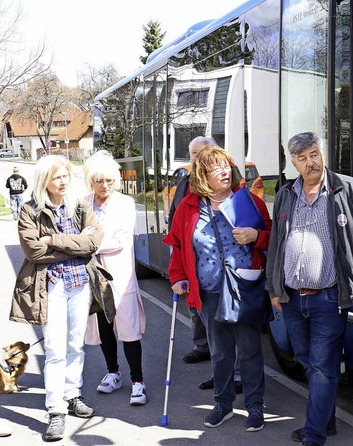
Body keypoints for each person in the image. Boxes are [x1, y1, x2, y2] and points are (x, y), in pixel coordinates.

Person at [266, 132, 353, 446]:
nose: (310, 163)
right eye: (302, 158)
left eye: (313, 155)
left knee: (322, 366)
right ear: (293, 162)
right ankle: (326, 419)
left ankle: (314, 433)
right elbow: (276, 243)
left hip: (330, 298)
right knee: (308, 362)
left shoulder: (347, 189)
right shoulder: (286, 194)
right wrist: (273, 289)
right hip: (293, 298)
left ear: (322, 154)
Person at [163, 146, 271, 432]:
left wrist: (256, 236)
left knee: (249, 350)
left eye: (227, 166)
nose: (225, 171)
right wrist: (176, 276)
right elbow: (176, 245)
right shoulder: (188, 207)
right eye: (216, 168)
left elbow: (273, 237)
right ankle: (223, 404)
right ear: (203, 174)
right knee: (220, 352)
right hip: (209, 289)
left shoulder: (248, 201)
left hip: (243, 287)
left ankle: (255, 406)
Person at [10, 155, 115, 442]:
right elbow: (33, 252)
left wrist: (54, 241)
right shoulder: (30, 210)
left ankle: (72, 394)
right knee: (55, 349)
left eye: (66, 175)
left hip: (80, 284)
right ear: (45, 180)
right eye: (57, 177)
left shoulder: (79, 205)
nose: (64, 181)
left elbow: (93, 242)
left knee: (74, 345)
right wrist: (76, 247)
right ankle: (55, 410)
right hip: (51, 286)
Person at [83, 151, 147, 406]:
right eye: (99, 181)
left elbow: (119, 239)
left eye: (109, 180)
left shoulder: (125, 203)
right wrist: (85, 242)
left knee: (128, 328)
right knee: (102, 326)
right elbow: (77, 233)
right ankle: (113, 373)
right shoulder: (83, 202)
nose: (104, 185)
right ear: (90, 181)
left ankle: (138, 381)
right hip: (93, 276)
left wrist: (88, 243)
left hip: (120, 276)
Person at [169, 137, 212, 368]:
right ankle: (202, 345)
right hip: (186, 251)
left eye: (201, 152)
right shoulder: (185, 182)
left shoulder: (224, 181)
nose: (196, 157)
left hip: (209, 255)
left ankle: (220, 355)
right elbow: (175, 215)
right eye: (193, 153)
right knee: (193, 303)